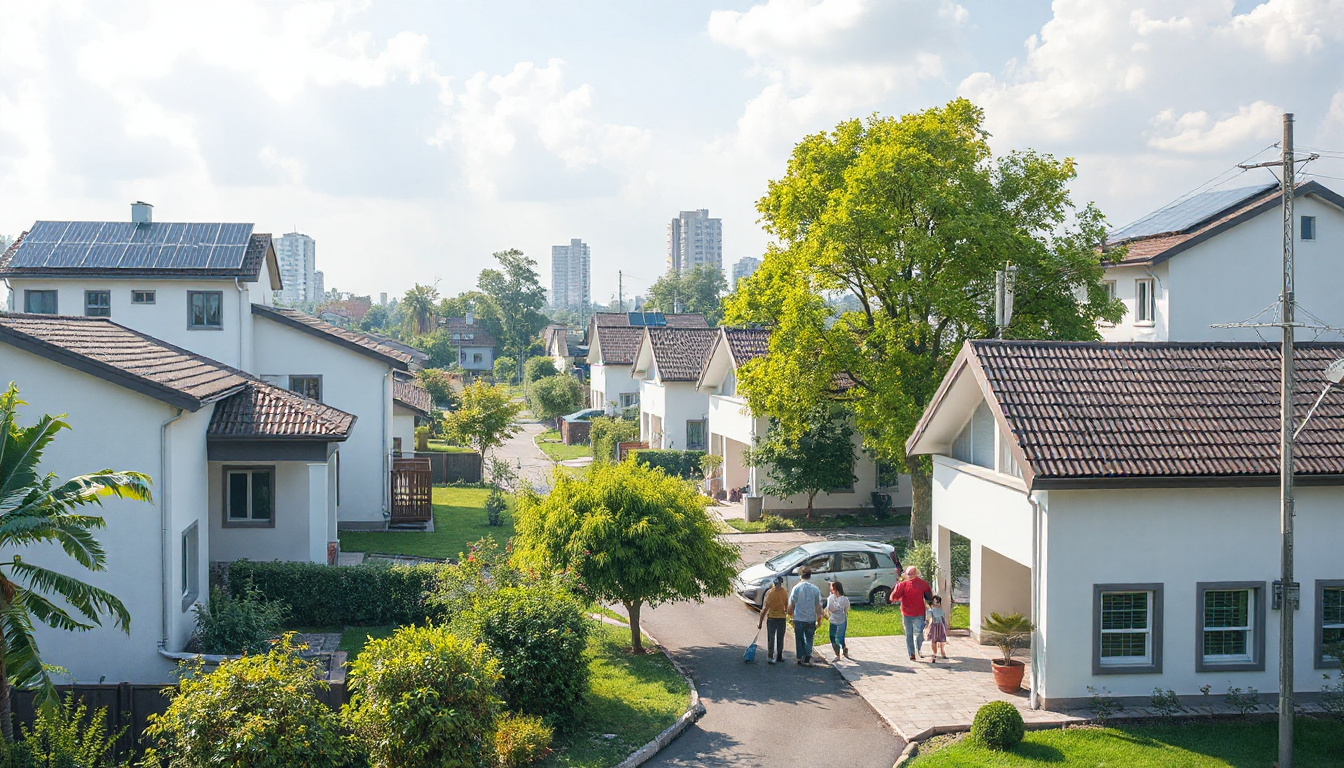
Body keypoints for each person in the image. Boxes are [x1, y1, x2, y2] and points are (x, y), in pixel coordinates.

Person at [889, 565, 933, 661]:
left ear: (916, 573)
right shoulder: (903, 585)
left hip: (918, 613)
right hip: (906, 613)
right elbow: (893, 597)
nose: (910, 576)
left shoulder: (922, 584)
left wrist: (932, 607)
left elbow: (929, 597)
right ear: (905, 574)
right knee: (909, 634)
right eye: (908, 574)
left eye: (912, 574)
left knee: (918, 633)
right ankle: (911, 653)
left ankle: (919, 650)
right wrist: (897, 587)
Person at [787, 566, 824, 666]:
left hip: (799, 618)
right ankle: (807, 656)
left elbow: (792, 603)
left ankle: (799, 658)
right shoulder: (815, 589)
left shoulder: (796, 588)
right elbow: (818, 605)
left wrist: (790, 614)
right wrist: (819, 618)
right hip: (810, 618)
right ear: (810, 576)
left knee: (799, 639)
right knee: (809, 639)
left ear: (800, 575)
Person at [757, 576, 789, 664]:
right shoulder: (784, 592)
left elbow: (764, 608)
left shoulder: (770, 593)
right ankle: (779, 656)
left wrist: (760, 623)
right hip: (781, 618)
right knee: (780, 638)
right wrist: (786, 612)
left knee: (771, 638)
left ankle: (770, 656)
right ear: (781, 583)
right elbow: (786, 606)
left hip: (772, 618)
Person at [825, 581, 851, 661]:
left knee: (839, 638)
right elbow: (831, 608)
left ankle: (843, 648)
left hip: (840, 621)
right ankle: (838, 654)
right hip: (834, 621)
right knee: (833, 638)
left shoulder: (844, 599)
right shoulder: (831, 598)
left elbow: (846, 609)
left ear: (835, 589)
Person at [926, 595, 949, 662]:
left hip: (940, 626)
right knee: (934, 640)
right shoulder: (931, 611)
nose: (936, 604)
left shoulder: (940, 610)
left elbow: (943, 619)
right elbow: (929, 619)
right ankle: (935, 653)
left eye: (938, 602)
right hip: (934, 626)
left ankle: (942, 652)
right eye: (935, 602)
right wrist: (928, 627)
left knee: (941, 640)